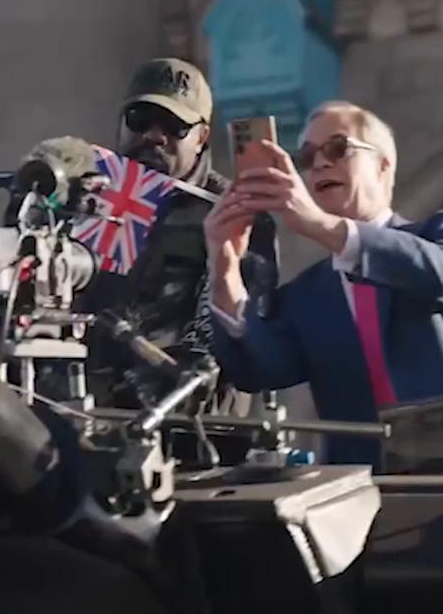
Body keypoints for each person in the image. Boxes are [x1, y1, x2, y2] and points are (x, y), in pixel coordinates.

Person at [204, 100, 443, 465]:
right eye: (307, 157)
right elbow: (256, 369)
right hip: (368, 490)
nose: (320, 164)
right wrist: (224, 268)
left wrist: (320, 225)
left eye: (336, 149)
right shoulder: (310, 293)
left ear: (382, 166)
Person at [25, 58, 272, 419]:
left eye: (174, 127)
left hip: (190, 429)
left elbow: (228, 334)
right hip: (70, 414)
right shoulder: (79, 197)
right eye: (140, 120)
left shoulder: (233, 213)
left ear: (202, 137)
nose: (154, 137)